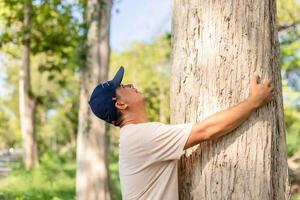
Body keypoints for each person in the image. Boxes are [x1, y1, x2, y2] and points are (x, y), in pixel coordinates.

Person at [88, 66, 274, 200]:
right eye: (122, 87)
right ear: (120, 104)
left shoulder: (134, 136)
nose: (129, 84)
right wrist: (254, 102)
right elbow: (207, 130)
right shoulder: (140, 136)